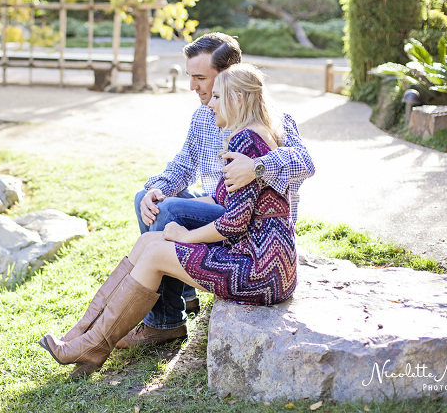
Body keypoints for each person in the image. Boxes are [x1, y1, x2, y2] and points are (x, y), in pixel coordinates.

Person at [38, 63, 298, 377]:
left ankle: (94, 344)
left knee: (157, 253)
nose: (210, 103)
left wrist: (184, 236)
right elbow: (236, 206)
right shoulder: (260, 134)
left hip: (259, 270)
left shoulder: (245, 141)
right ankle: (83, 332)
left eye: (217, 96)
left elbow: (235, 222)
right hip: (265, 262)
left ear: (238, 99)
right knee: (149, 240)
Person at [122, 32, 314, 348]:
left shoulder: (272, 117)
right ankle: (182, 296)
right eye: (190, 76)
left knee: (170, 210)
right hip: (218, 204)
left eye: (200, 77)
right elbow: (182, 166)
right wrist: (156, 189)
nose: (192, 86)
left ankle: (163, 321)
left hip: (251, 223)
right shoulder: (202, 117)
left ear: (228, 76)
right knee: (150, 199)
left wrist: (258, 166)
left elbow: (305, 162)